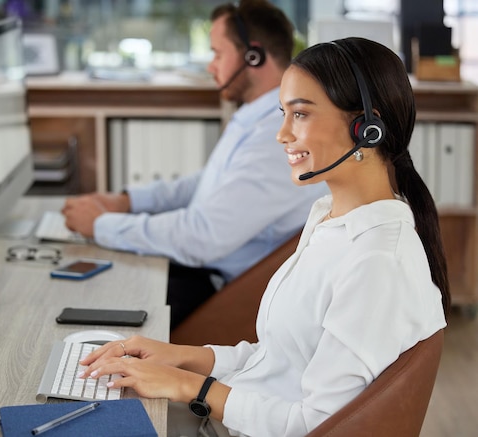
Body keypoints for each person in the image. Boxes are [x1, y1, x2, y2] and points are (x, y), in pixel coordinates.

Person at [76, 37, 450, 436]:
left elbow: (316, 424)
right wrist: (177, 357)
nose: (282, 134)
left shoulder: (377, 261)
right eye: (282, 114)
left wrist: (188, 386)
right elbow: (278, 362)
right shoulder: (330, 218)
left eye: (300, 114)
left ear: (366, 128)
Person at [62, 0, 327, 330]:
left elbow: (202, 236)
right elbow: (208, 183)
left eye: (217, 54)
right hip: (201, 269)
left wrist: (103, 225)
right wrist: (128, 201)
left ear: (253, 56)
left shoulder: (276, 138)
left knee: (91, 298)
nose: (210, 67)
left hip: (216, 288)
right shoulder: (258, 119)